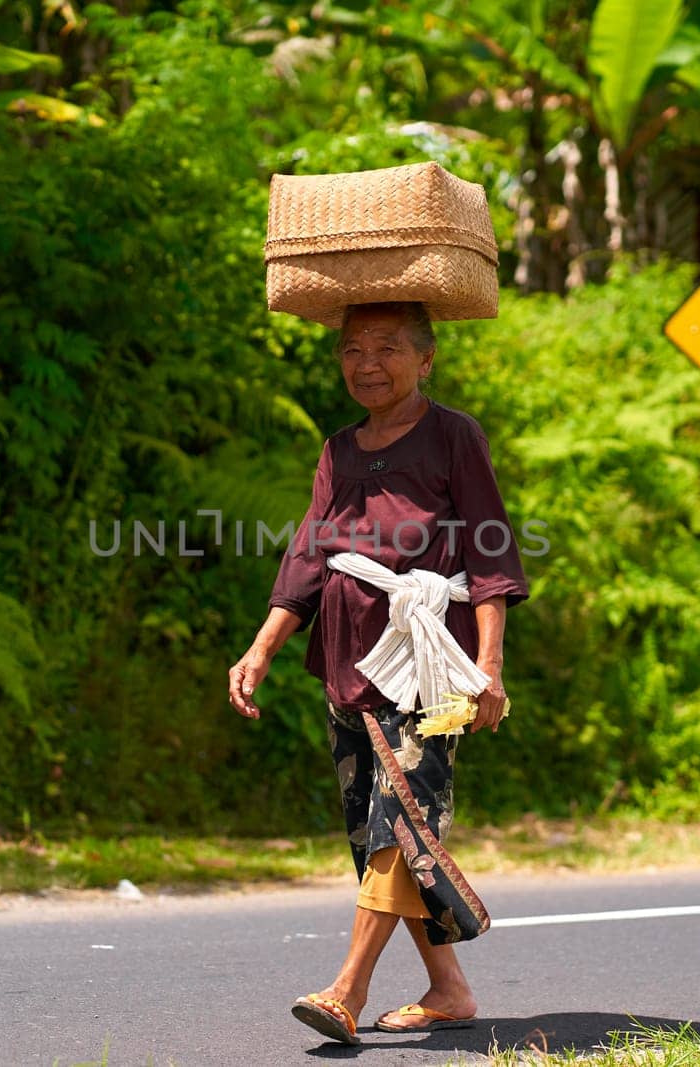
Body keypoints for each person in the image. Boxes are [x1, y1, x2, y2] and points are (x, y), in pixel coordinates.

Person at [227, 301, 529, 1046]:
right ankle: (449, 987)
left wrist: (489, 667)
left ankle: (346, 989)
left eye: (387, 348)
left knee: (400, 823)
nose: (367, 363)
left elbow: (488, 555)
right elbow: (309, 552)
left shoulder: (455, 436)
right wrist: (262, 646)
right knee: (379, 836)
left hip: (427, 668)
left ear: (426, 360)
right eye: (353, 349)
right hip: (348, 664)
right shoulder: (339, 450)